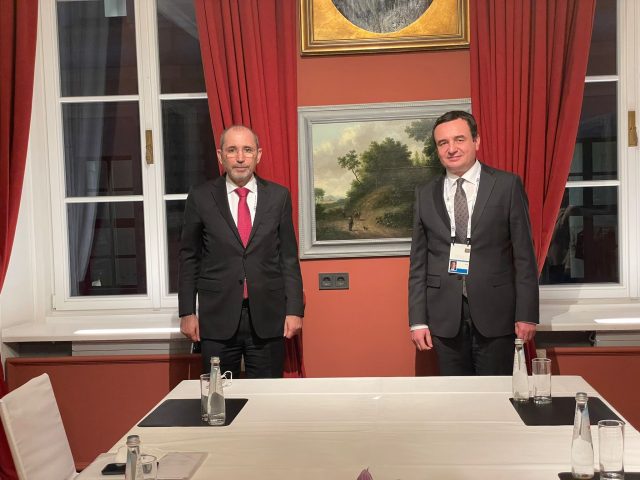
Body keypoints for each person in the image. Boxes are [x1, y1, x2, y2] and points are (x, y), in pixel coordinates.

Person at [408, 111, 539, 376]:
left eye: (459, 139)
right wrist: (417, 321)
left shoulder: (506, 185)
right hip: (444, 318)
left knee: (496, 394)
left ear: (476, 141)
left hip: (497, 314)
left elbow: (525, 256)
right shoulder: (424, 194)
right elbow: (418, 263)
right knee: (455, 396)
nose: (451, 148)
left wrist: (527, 313)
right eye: (443, 143)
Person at [178, 125, 304, 378]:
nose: (240, 158)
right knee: (219, 396)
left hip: (268, 316)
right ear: (220, 155)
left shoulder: (279, 196)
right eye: (232, 150)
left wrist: (294, 310)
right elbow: (189, 257)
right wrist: (187, 312)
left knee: (267, 396)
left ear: (258, 155)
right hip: (217, 318)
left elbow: (288, 258)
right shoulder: (201, 197)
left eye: (247, 150)